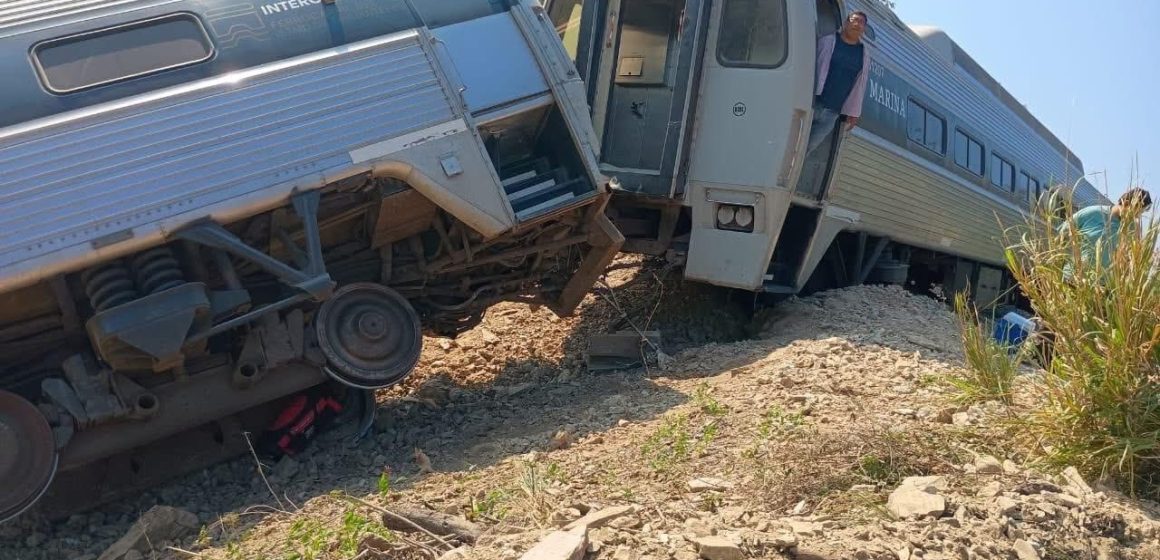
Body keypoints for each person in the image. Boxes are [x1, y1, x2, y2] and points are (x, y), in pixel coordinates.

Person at [804, 10, 872, 158]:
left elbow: (860, 85)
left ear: (864, 29)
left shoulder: (864, 54)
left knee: (807, 149)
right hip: (812, 102)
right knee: (794, 140)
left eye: (861, 23)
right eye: (854, 20)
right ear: (846, 23)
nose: (857, 24)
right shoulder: (827, 41)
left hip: (832, 112)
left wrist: (854, 112)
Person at [1059, 187, 1152, 280]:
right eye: (1136, 213)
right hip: (1072, 278)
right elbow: (1064, 231)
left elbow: (1132, 258)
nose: (1137, 218)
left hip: (1101, 288)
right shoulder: (1093, 212)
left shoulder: (1132, 229)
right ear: (1126, 203)